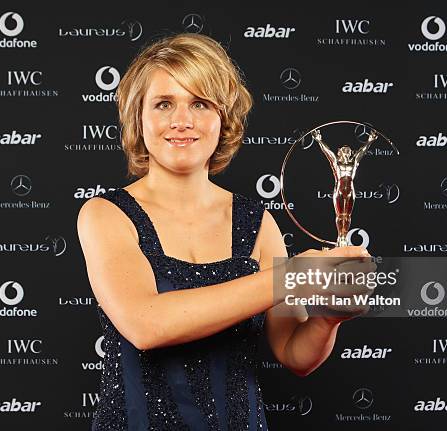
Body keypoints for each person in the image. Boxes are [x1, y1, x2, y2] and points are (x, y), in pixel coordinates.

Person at [77, 33, 370, 431]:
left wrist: (328, 318)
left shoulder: (256, 221)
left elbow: (293, 353)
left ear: (223, 118)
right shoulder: (105, 215)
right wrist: (295, 276)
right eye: (164, 104)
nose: (182, 120)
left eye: (200, 103)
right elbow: (147, 325)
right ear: (138, 118)